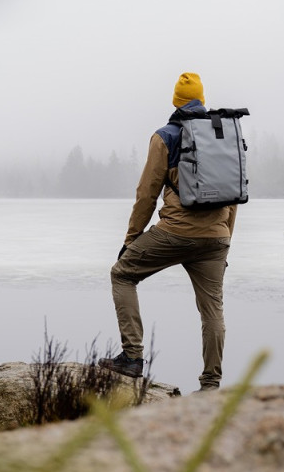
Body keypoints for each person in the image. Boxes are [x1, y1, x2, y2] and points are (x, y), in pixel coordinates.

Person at [99, 72, 237, 391]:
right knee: (212, 309)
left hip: (175, 232)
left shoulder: (165, 136)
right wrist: (225, 241)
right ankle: (211, 384)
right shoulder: (223, 136)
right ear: (202, 100)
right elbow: (233, 195)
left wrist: (131, 239)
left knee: (122, 274)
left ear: (175, 101)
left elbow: (147, 194)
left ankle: (132, 358)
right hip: (217, 238)